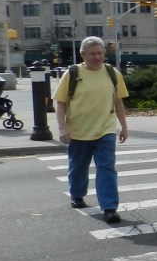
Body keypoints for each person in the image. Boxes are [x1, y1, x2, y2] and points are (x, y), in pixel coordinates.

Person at [53, 37, 129, 223]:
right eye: (93, 53)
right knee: (78, 167)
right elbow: (61, 102)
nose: (97, 57)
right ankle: (77, 194)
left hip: (106, 129)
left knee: (107, 167)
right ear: (83, 55)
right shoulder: (71, 74)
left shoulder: (112, 73)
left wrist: (124, 127)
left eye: (100, 53)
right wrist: (62, 128)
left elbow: (118, 101)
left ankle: (109, 207)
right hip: (78, 131)